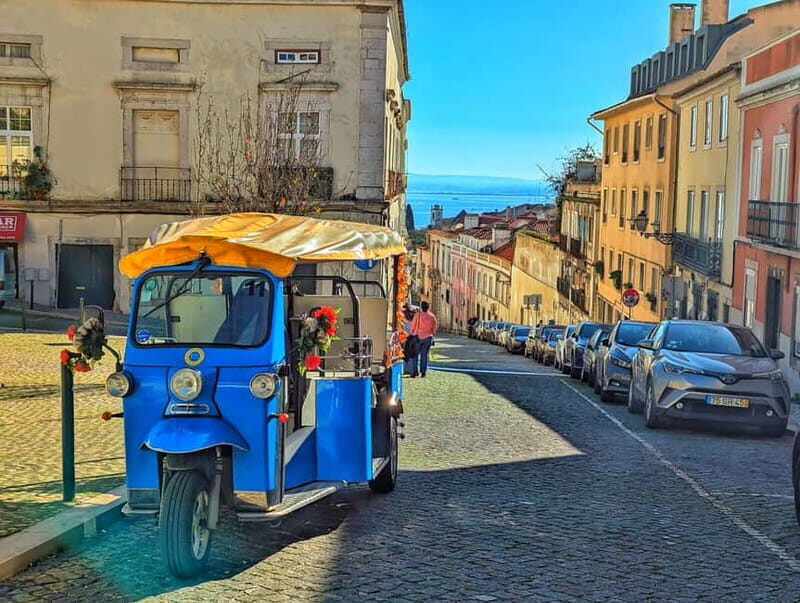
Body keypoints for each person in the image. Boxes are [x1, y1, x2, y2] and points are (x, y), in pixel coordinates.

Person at [410, 301, 438, 377]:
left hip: (418, 337)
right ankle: (423, 372)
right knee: (424, 355)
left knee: (415, 355)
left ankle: (414, 371)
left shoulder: (417, 315)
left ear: (421, 307)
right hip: (428, 337)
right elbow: (434, 328)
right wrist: (432, 334)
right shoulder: (432, 316)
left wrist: (412, 332)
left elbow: (413, 325)